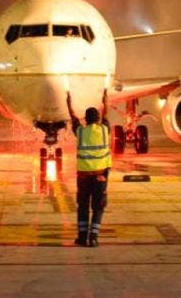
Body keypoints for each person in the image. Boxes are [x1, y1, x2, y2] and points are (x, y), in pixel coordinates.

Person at [66, 89, 112, 247]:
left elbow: (73, 118)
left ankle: (81, 236)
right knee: (98, 207)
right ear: (98, 119)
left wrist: (68, 103)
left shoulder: (80, 132)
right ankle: (93, 237)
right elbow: (106, 114)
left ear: (85, 119)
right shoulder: (105, 130)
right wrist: (105, 99)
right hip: (100, 177)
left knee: (83, 206)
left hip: (84, 178)